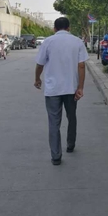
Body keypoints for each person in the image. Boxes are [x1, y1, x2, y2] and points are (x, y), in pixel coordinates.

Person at [34, 17, 88, 166]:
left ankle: (56, 156)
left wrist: (37, 79)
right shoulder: (77, 42)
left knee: (54, 122)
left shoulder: (48, 42)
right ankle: (71, 144)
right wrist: (80, 87)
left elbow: (40, 64)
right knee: (72, 116)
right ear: (69, 28)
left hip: (53, 89)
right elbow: (81, 66)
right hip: (71, 88)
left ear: (54, 28)